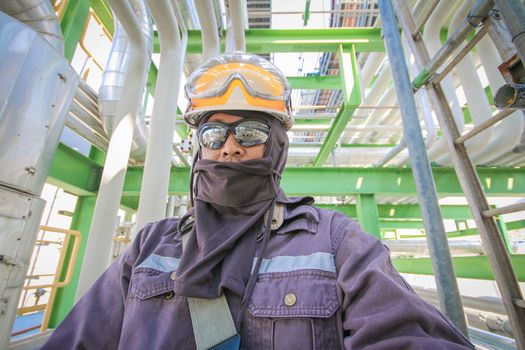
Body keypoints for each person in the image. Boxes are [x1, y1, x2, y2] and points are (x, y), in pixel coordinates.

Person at [43, 52, 474, 349]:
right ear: (199, 148)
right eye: (213, 134)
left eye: (250, 133)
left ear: (278, 147)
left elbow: (405, 334)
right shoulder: (150, 246)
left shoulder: (335, 241)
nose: (229, 148)